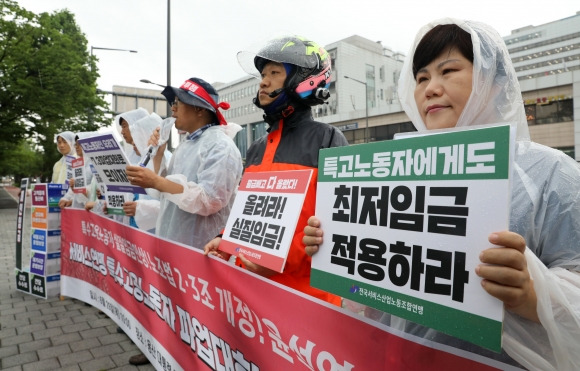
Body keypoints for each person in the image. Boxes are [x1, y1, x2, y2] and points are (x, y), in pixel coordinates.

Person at [303, 19, 580, 370]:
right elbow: (373, 301)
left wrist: (534, 295)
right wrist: (335, 246)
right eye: (421, 79)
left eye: (448, 71)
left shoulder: (552, 173)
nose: (430, 89)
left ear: (493, 82)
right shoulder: (389, 175)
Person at [203, 35, 349, 306]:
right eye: (262, 74)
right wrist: (225, 240)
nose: (263, 81)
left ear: (304, 79)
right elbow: (251, 213)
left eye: (274, 72)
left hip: (307, 300)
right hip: (252, 294)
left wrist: (277, 260)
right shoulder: (257, 147)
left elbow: (338, 226)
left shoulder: (327, 139)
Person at [127, 77, 243, 249]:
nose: (172, 109)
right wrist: (158, 153)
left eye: (178, 103)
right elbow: (166, 192)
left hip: (202, 251)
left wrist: (156, 181)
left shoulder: (220, 146)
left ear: (199, 109)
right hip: (174, 247)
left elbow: (209, 200)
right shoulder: (187, 144)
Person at [58, 131, 98, 209]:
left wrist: (78, 190)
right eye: (76, 144)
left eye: (80, 144)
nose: (76, 147)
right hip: (79, 209)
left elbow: (94, 190)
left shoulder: (94, 164)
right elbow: (74, 188)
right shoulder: (79, 163)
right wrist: (66, 198)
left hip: (91, 209)